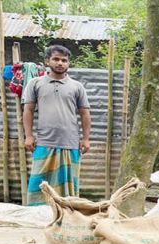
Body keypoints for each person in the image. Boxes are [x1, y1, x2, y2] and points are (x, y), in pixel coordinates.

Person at [23, 44, 91, 206]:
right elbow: (28, 110)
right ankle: (36, 214)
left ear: (68, 63)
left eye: (64, 60)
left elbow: (85, 113)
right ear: (47, 61)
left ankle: (66, 213)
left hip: (70, 143)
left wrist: (86, 139)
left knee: (68, 185)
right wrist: (29, 135)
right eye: (56, 59)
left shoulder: (77, 86)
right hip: (44, 142)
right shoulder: (35, 83)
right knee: (38, 182)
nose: (60, 63)